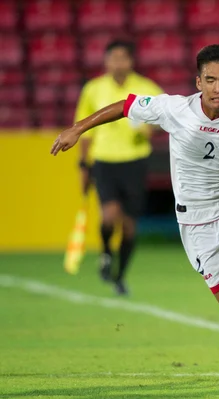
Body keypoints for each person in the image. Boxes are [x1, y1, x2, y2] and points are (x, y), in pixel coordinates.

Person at [52, 44, 219, 384]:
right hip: (196, 220)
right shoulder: (175, 109)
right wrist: (78, 128)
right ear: (198, 82)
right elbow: (125, 106)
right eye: (211, 80)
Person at [74, 39, 163, 295]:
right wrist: (83, 164)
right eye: (113, 58)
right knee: (109, 215)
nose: (117, 63)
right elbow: (85, 128)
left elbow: (166, 120)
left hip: (135, 160)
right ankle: (105, 252)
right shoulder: (93, 88)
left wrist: (151, 129)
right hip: (104, 159)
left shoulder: (146, 88)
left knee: (129, 226)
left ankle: (120, 275)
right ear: (106, 61)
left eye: (122, 58)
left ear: (131, 61)